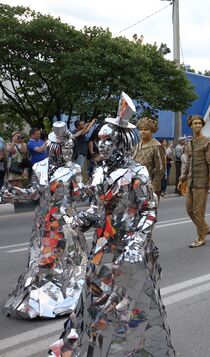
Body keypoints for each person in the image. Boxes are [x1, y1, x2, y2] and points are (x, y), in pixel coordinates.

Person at [49, 93, 174, 356]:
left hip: (130, 248)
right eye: (100, 140)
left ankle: (137, 348)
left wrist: (137, 242)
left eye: (108, 140)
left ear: (122, 142)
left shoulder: (136, 172)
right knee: (92, 294)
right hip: (104, 245)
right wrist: (78, 222)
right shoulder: (98, 172)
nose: (102, 145)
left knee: (133, 300)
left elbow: (149, 210)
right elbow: (97, 210)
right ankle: (80, 341)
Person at [1, 122, 87, 320]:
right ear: (54, 148)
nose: (68, 151)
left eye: (70, 148)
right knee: (41, 258)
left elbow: (80, 195)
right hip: (43, 222)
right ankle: (39, 298)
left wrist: (95, 192)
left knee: (68, 260)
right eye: (64, 147)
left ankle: (67, 296)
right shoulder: (39, 167)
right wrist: (14, 192)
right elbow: (34, 193)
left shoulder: (73, 169)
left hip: (66, 221)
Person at [179, 115, 210, 248]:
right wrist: (182, 178)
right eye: (195, 124)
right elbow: (188, 162)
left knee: (199, 211)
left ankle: (201, 237)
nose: (197, 125)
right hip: (190, 181)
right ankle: (205, 228)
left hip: (202, 181)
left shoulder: (207, 142)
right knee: (189, 209)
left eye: (199, 123)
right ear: (190, 126)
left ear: (202, 125)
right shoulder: (190, 143)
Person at [133, 118, 166, 199]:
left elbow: (160, 169)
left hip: (149, 185)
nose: (143, 132)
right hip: (135, 184)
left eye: (146, 129)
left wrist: (154, 186)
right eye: (141, 130)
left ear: (151, 131)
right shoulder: (137, 145)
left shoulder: (157, 146)